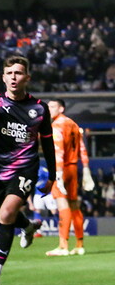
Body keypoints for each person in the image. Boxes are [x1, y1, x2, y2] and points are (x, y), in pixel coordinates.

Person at [0, 55, 56, 285]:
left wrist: (52, 174)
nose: (13, 77)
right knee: (4, 212)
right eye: (9, 73)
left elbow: (48, 144)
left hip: (25, 168)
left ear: (27, 78)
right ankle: (28, 226)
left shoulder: (39, 108)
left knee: (7, 212)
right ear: (3, 77)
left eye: (18, 73)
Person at [45, 99, 94, 256]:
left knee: (62, 205)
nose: (49, 109)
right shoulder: (73, 124)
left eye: (53, 106)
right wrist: (86, 168)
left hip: (62, 168)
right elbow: (82, 148)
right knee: (74, 205)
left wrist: (58, 174)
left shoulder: (56, 126)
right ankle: (79, 245)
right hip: (73, 168)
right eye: (48, 107)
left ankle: (63, 246)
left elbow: (58, 152)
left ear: (62, 108)